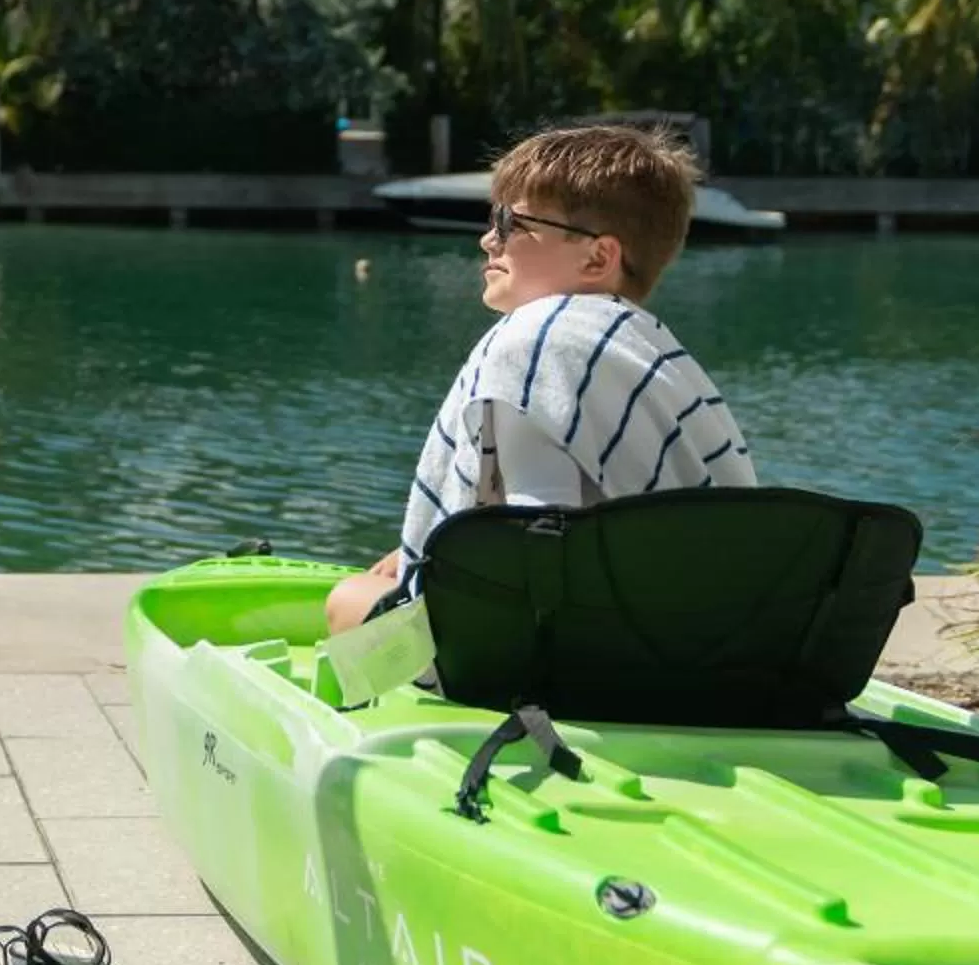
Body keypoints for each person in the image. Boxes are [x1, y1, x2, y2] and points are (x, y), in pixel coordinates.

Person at [325, 122, 759, 635]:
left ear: (597, 257)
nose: (489, 239)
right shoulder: (652, 352)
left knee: (347, 601)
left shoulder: (535, 338)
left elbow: (537, 549)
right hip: (700, 640)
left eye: (512, 223)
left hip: (582, 654)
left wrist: (430, 566)